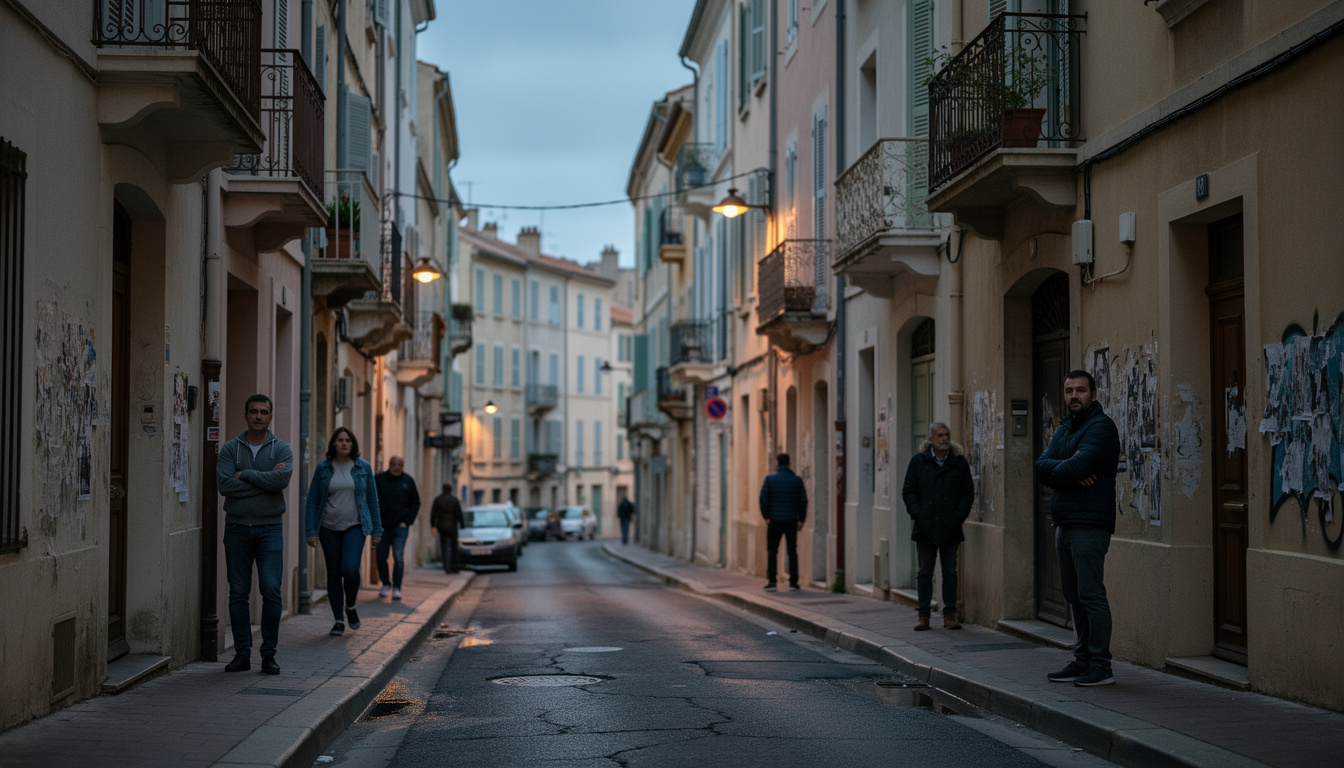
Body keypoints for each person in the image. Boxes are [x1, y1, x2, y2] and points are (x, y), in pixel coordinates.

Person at [1034, 369, 1122, 687]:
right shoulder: (1064, 429)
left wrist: (1067, 469)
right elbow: (1041, 467)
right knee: (1074, 596)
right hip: (1066, 522)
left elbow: (1078, 466)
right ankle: (1082, 659)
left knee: (1091, 594)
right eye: (1069, 390)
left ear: (1093, 395)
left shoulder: (1102, 427)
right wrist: (1069, 469)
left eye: (1081, 390)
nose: (1074, 396)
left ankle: (1101, 665)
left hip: (1090, 523)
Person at [217, 394, 293, 675]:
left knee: (271, 590)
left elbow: (281, 480)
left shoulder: (282, 449)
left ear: (270, 416)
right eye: (253, 412)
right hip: (236, 528)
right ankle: (241, 654)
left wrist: (244, 474)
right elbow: (225, 486)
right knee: (238, 592)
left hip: (269, 529)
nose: (258, 416)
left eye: (263, 412)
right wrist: (265, 482)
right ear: (246, 415)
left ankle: (269, 654)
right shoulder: (229, 449)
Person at [305, 428, 382, 637]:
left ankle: (351, 606)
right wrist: (311, 530)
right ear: (334, 444)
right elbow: (312, 500)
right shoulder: (323, 468)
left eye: (348, 440)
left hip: (355, 527)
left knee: (349, 568)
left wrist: (377, 530)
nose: (344, 443)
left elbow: (372, 500)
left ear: (353, 444)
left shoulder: (362, 467)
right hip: (328, 527)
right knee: (333, 573)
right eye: (340, 440)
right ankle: (338, 620)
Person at [901, 422, 975, 631]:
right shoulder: (918, 462)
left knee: (950, 572)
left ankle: (949, 614)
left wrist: (958, 516)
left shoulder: (958, 463)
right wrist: (918, 514)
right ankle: (923, 614)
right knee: (925, 572)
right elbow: (908, 492)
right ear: (931, 439)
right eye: (940, 435)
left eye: (947, 435)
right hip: (925, 528)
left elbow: (967, 493)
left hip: (950, 527)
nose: (944, 439)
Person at [759, 453, 807, 592]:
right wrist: (801, 519)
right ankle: (793, 582)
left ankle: (772, 581)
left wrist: (766, 516)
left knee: (772, 550)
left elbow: (763, 498)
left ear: (777, 463)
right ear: (789, 463)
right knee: (792, 551)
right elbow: (803, 500)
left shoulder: (770, 479)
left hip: (774, 520)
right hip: (791, 520)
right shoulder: (796, 480)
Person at [374, 455, 420, 600]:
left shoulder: (408, 481)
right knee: (381, 556)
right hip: (382, 526)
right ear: (389, 464)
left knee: (398, 557)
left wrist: (407, 521)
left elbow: (415, 502)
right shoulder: (379, 479)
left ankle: (397, 588)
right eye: (394, 464)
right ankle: (386, 584)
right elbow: (371, 500)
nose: (397, 467)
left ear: (403, 466)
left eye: (400, 465)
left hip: (400, 527)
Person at [431, 484, 464, 573]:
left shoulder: (438, 500)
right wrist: (462, 524)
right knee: (454, 547)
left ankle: (447, 566)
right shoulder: (454, 500)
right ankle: (454, 566)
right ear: (450, 490)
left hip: (442, 526)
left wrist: (433, 526)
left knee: (444, 546)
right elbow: (459, 513)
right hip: (453, 526)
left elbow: (433, 514)